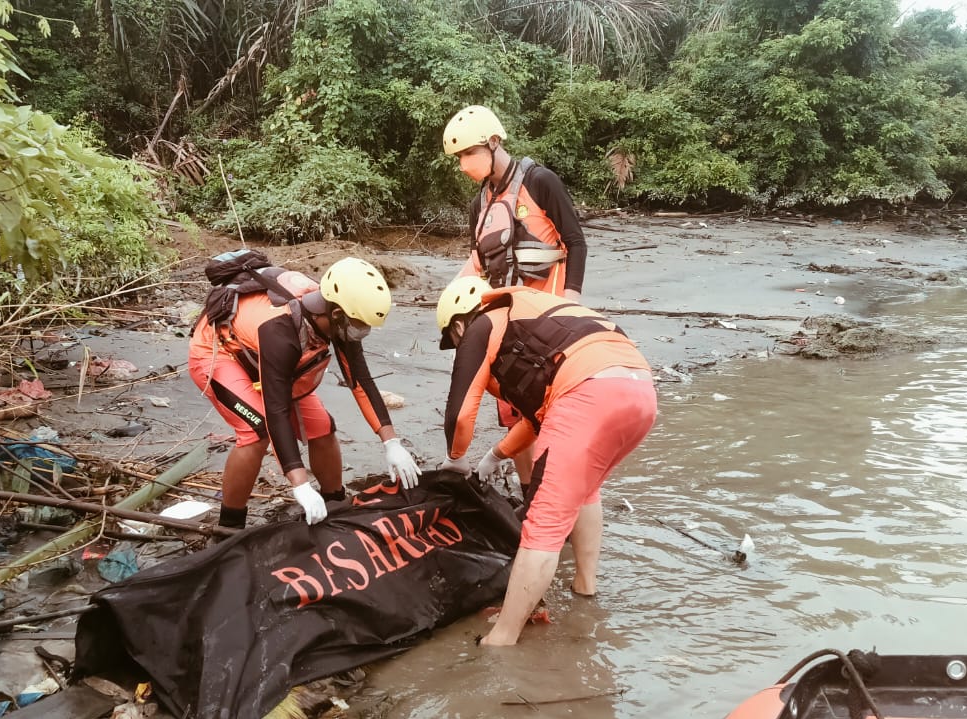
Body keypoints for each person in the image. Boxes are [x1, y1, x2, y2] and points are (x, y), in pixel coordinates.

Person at [434, 276, 656, 646]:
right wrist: (495, 455)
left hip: (588, 393)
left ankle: (501, 640)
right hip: (638, 389)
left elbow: (460, 415)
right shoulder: (530, 312)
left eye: (454, 341)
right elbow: (537, 422)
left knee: (543, 524)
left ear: (458, 323)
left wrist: (455, 460)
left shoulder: (481, 323)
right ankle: (585, 588)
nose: (459, 347)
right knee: (585, 490)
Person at [189, 256, 421, 529]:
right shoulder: (281, 329)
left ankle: (333, 503)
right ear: (335, 314)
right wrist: (299, 484)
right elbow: (276, 410)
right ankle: (229, 524)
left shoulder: (341, 317)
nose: (362, 333)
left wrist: (390, 442)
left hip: (272, 358)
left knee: (321, 427)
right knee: (257, 431)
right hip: (221, 352)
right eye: (360, 327)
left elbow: (360, 380)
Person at [442, 105, 589, 487]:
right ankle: (529, 494)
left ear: (493, 143)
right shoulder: (481, 203)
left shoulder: (540, 182)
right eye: (459, 158)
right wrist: (451, 301)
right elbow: (478, 260)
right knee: (513, 408)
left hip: (549, 316)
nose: (463, 165)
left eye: (468, 154)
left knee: (549, 410)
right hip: (508, 320)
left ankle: (557, 490)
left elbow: (574, 240)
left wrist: (572, 298)